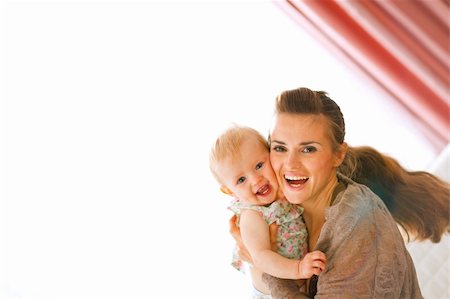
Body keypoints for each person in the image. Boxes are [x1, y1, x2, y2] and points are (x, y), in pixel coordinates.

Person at [231, 87, 450, 298]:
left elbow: (266, 276)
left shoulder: (360, 232)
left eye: (308, 149)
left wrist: (267, 269)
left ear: (338, 154)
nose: (290, 164)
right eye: (280, 148)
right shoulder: (285, 211)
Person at [209, 125, 326, 299]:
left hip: (299, 283)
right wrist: (299, 268)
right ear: (230, 192)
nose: (256, 180)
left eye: (259, 165)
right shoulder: (252, 215)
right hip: (271, 293)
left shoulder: (281, 195)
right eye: (241, 179)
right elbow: (261, 257)